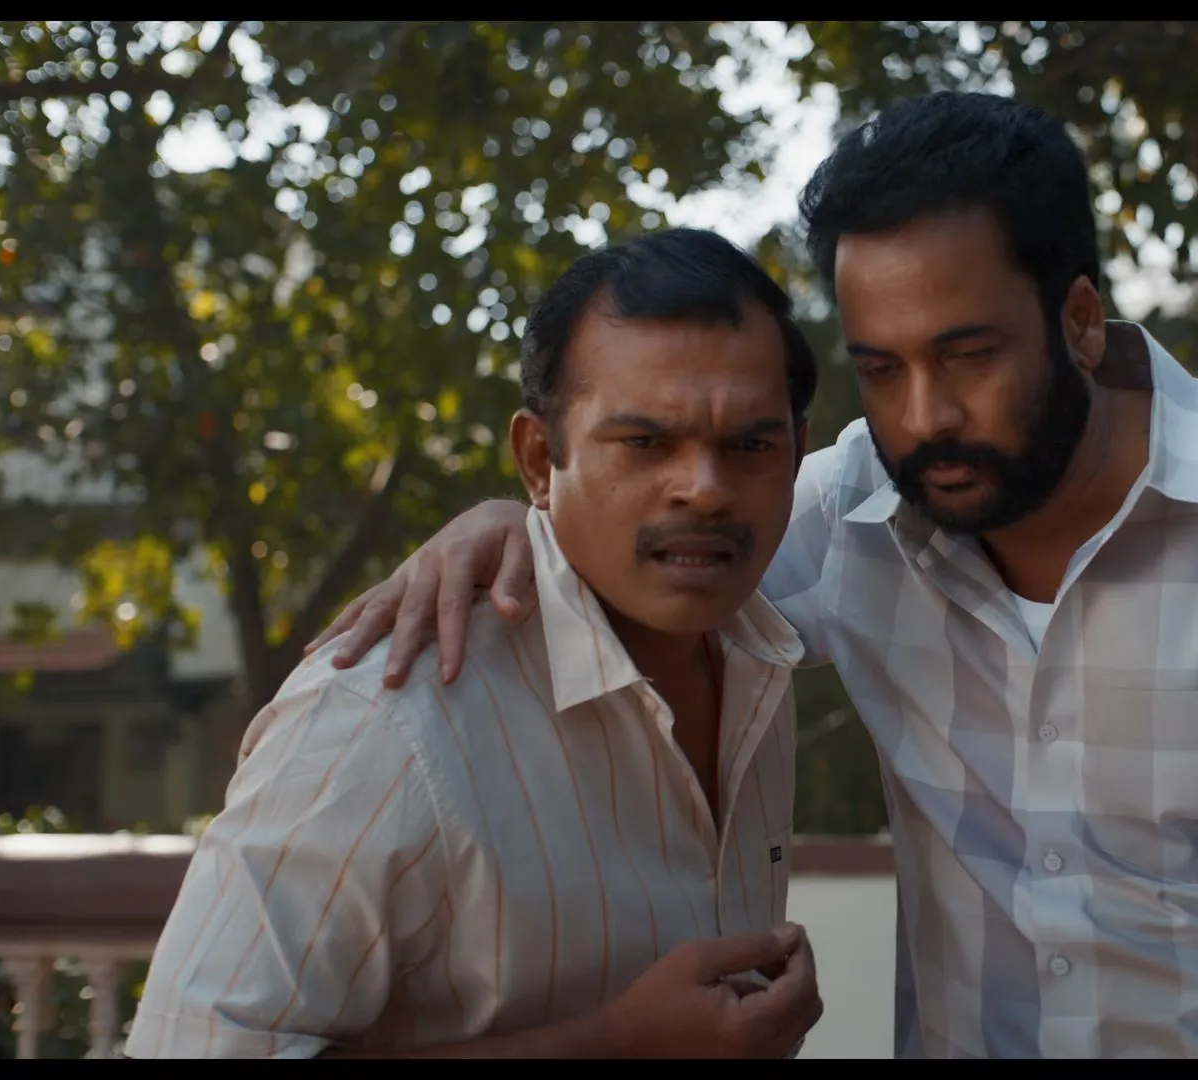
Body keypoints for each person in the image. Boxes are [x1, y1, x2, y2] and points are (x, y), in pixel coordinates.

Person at [307, 92, 1198, 1058]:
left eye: (968, 355)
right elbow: (642, 557)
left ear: (1079, 319)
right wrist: (508, 519)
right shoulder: (852, 511)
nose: (924, 417)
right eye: (881, 368)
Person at [126, 228, 825, 1058]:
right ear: (538, 460)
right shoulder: (385, 719)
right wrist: (618, 1043)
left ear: (796, 454)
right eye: (644, 443)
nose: (704, 489)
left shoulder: (758, 651)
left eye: (749, 445)